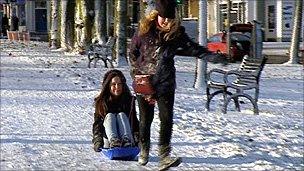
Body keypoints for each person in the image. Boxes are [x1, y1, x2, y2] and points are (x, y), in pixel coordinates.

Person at [129, 0, 212, 170]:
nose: (166, 21)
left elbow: (193, 48)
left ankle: (164, 155)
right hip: (145, 82)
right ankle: (144, 149)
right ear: (156, 15)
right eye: (163, 18)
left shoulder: (176, 34)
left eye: (169, 19)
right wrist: (137, 73)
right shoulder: (144, 31)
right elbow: (132, 52)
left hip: (165, 83)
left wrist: (212, 56)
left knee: (166, 119)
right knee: (146, 119)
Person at [92, 69, 139, 152]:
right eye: (113, 84)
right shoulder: (101, 102)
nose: (117, 87)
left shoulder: (129, 100)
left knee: (122, 115)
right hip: (108, 137)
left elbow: (134, 121)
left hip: (126, 134)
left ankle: (126, 140)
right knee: (110, 116)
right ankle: (114, 141)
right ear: (108, 86)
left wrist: (138, 138)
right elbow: (97, 124)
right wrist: (98, 141)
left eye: (119, 84)